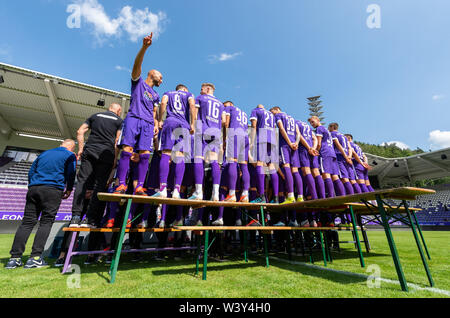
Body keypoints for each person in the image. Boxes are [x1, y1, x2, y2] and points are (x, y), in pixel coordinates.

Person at [6, 140, 77, 269]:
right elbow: (71, 173)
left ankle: (14, 258)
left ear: (61, 144)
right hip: (52, 189)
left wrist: (32, 185)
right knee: (46, 221)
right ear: (72, 148)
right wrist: (69, 189)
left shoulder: (44, 153)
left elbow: (31, 171)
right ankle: (35, 257)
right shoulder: (70, 155)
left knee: (27, 222)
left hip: (34, 188)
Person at [114, 33, 163, 196]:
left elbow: (155, 112)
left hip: (148, 123)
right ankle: (121, 184)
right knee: (127, 150)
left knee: (145, 154)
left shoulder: (156, 95)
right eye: (160, 77)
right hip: (134, 118)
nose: (161, 80)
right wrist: (144, 47)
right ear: (151, 74)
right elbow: (137, 65)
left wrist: (156, 125)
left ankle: (139, 187)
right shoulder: (138, 82)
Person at [70, 103, 123, 228]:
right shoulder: (119, 121)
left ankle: (75, 217)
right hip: (106, 154)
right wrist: (115, 158)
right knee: (99, 185)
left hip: (90, 151)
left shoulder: (95, 116)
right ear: (118, 110)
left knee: (82, 182)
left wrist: (81, 148)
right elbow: (117, 140)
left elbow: (80, 131)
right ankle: (89, 219)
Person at [152, 84, 196, 199]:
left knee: (166, 153)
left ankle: (162, 189)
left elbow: (163, 103)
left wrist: (161, 119)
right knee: (180, 156)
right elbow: (192, 105)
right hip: (184, 124)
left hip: (170, 121)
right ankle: (177, 190)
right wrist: (193, 123)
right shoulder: (189, 94)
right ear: (185, 89)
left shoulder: (168, 92)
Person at [189, 83, 227, 201]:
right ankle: (215, 193)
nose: (200, 91)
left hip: (203, 129)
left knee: (198, 158)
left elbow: (194, 114)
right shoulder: (221, 104)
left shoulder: (200, 98)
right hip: (215, 132)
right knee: (214, 161)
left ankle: (199, 192)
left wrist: (193, 126)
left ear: (208, 89)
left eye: (202, 89)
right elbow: (224, 121)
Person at [249, 104, 278, 203]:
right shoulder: (271, 114)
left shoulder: (255, 110)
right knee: (271, 166)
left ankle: (262, 196)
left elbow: (253, 125)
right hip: (272, 139)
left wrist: (252, 141)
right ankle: (276, 197)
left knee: (260, 163)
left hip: (261, 137)